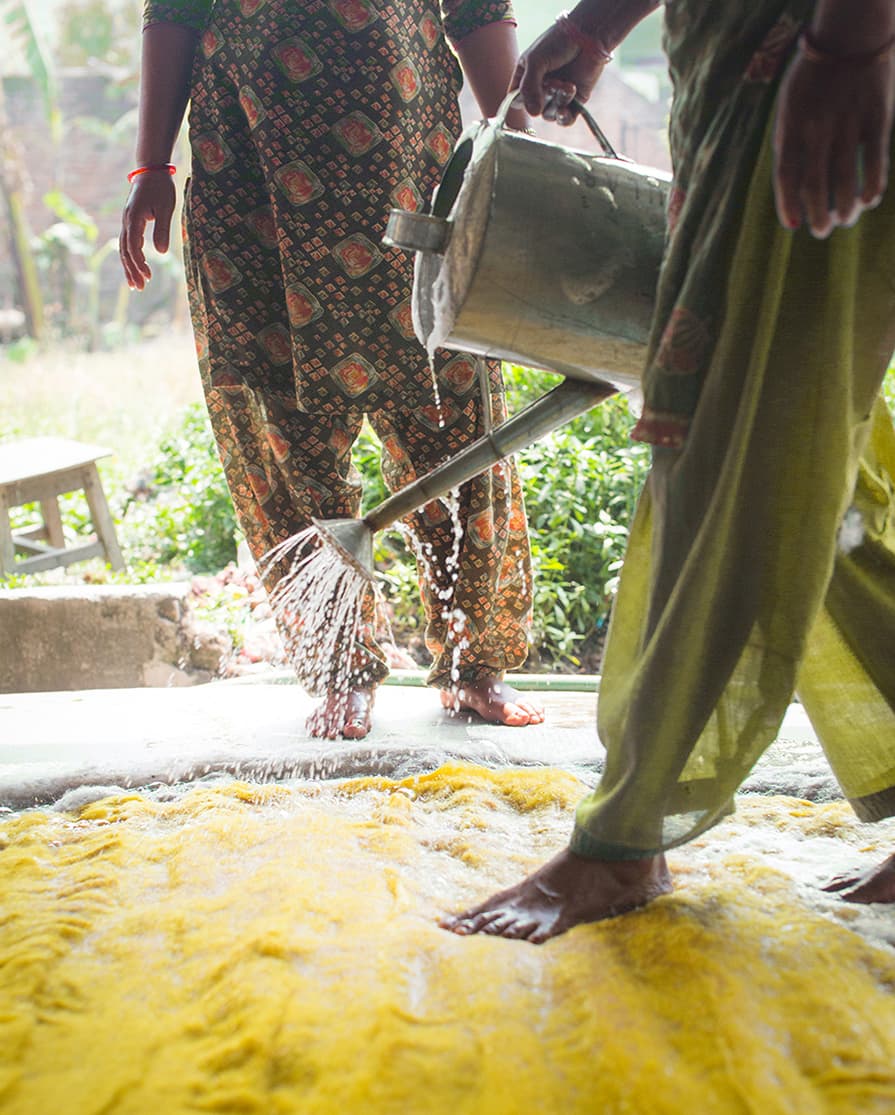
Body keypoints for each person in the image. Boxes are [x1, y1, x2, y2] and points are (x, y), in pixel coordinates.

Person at [442, 0, 895, 943]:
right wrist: (601, 23)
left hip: (808, 54)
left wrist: (849, 42)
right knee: (812, 462)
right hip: (740, 59)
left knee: (732, 437)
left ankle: (623, 837)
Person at [119, 0, 546, 739]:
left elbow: (478, 9)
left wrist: (523, 155)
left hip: (409, 174)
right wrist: (152, 162)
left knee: (454, 420)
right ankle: (339, 666)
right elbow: (175, 11)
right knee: (291, 437)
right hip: (247, 181)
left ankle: (475, 665)